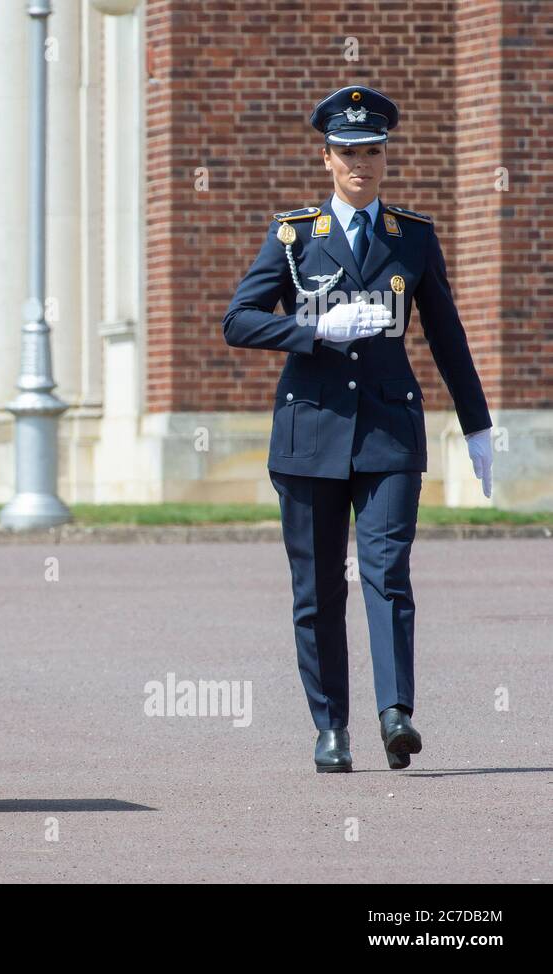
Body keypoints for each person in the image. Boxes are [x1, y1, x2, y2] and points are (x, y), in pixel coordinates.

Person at [222, 85, 494, 773]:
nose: (360, 164)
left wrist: (478, 426)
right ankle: (330, 727)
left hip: (389, 434)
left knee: (388, 571)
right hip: (310, 434)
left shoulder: (414, 238)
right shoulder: (294, 237)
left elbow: (448, 337)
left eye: (371, 151)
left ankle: (396, 714)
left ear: (384, 156)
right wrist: (312, 329)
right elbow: (239, 321)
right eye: (347, 152)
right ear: (328, 158)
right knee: (318, 590)